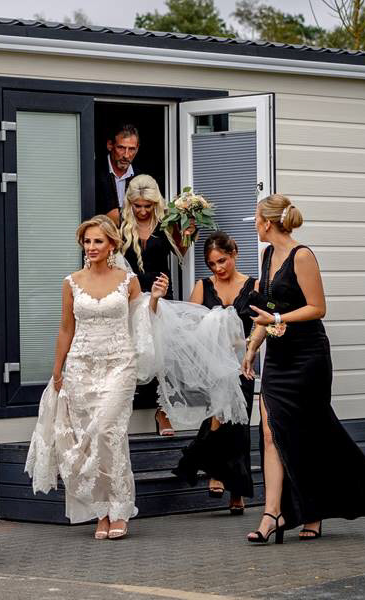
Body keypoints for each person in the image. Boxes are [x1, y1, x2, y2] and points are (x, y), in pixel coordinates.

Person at [25, 216, 248, 541]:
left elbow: (142, 320)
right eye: (87, 242)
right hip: (81, 366)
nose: (91, 247)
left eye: (98, 241)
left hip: (119, 364)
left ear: (111, 245)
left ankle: (120, 508)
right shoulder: (71, 282)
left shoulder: (127, 281)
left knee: (108, 432)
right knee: (89, 440)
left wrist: (154, 297)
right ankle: (102, 511)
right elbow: (65, 328)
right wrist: (57, 369)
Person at [242, 195, 365, 545]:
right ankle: (272, 513)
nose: (254, 225)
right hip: (278, 358)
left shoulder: (302, 256)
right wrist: (253, 346)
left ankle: (313, 512)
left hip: (307, 358)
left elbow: (317, 307)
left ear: (268, 222)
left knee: (308, 434)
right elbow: (267, 308)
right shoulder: (267, 256)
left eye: (256, 218)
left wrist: (278, 318)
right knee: (270, 433)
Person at [172, 232, 256, 515]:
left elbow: (264, 325)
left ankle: (237, 492)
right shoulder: (203, 286)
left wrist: (245, 345)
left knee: (239, 427)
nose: (218, 268)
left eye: (222, 261)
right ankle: (216, 473)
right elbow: (188, 326)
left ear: (234, 253)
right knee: (217, 421)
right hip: (212, 367)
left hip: (242, 366)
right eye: (212, 264)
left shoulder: (254, 286)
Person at [119, 174, 188, 436]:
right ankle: (121, 408)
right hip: (133, 297)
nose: (143, 211)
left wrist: (187, 230)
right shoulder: (121, 226)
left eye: (148, 206)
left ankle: (163, 411)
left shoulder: (165, 224)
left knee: (164, 351)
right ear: (130, 203)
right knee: (133, 351)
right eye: (137, 206)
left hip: (161, 294)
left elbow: (181, 252)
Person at [96, 124, 140, 226]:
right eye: (121, 148)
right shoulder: (93, 172)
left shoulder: (142, 176)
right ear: (110, 145)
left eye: (131, 149)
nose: (126, 155)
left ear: (137, 149)